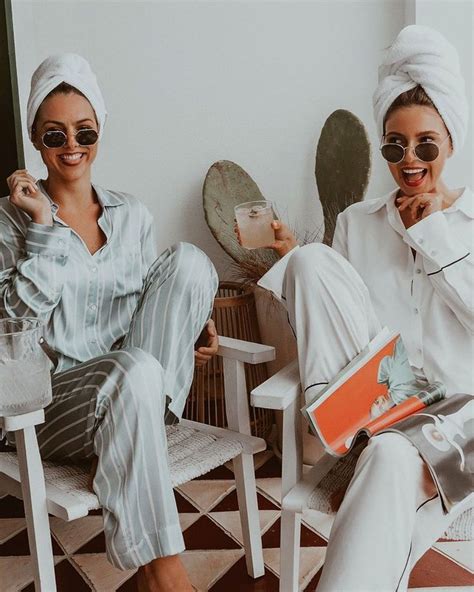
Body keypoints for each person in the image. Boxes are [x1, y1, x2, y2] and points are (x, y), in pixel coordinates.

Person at [255, 25, 473, 591]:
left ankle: (369, 442)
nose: (410, 159)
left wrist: (435, 238)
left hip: (464, 420)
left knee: (391, 459)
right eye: (394, 146)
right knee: (308, 262)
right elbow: (342, 319)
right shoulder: (358, 221)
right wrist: (295, 260)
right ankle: (355, 431)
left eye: (426, 143)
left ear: (451, 140)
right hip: (380, 402)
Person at [0, 53, 219, 591]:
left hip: (138, 388)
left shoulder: (132, 214)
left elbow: (150, 299)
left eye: (84, 130)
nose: (71, 145)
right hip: (50, 408)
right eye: (55, 135)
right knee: (132, 370)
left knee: (189, 260)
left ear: (100, 131)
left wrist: (190, 322)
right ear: (36, 139)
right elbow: (12, 327)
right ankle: (160, 569)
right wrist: (44, 226)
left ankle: (144, 425)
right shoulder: (10, 220)